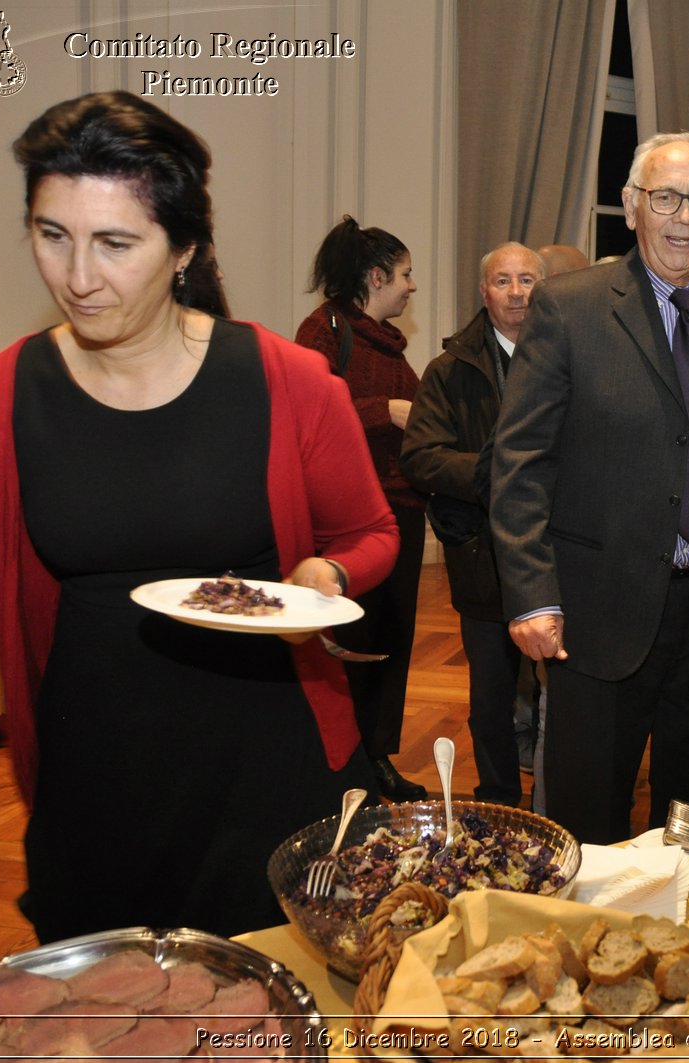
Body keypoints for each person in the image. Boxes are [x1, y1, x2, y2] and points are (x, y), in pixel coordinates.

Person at [0, 91, 398, 941]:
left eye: (115, 244)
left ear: (185, 247)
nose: (78, 277)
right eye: (52, 235)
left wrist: (325, 574)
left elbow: (372, 533)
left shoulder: (288, 381)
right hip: (95, 782)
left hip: (268, 770)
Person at [490, 131, 689, 843]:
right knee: (584, 819)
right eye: (665, 198)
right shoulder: (570, 308)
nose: (683, 217)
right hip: (597, 612)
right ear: (631, 205)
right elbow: (520, 459)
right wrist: (532, 591)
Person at [400, 242, 546, 808]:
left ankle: (557, 806)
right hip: (482, 558)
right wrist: (494, 473)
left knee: (566, 697)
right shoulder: (448, 371)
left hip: (560, 555)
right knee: (491, 700)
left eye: (527, 280)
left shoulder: (569, 356)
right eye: (503, 281)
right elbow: (421, 456)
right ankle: (498, 805)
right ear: (483, 293)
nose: (516, 292)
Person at [295, 217, 428, 801]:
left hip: (402, 511)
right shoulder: (321, 330)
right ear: (376, 277)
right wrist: (387, 410)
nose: (412, 286)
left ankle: (377, 759)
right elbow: (307, 407)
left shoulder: (392, 347)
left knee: (391, 644)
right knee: (347, 645)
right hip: (348, 524)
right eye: (404, 274)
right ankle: (341, 768)